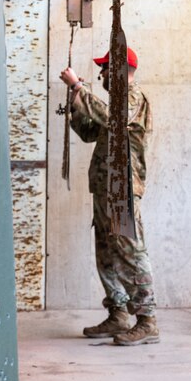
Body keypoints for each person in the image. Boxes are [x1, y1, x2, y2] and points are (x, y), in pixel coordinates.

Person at [59, 47, 158, 346]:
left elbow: (112, 118)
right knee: (106, 252)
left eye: (105, 68)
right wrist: (76, 104)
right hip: (105, 188)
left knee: (130, 251)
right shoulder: (115, 102)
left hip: (123, 189)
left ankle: (147, 320)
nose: (101, 74)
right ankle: (118, 313)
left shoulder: (132, 97)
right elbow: (91, 131)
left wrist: (79, 88)